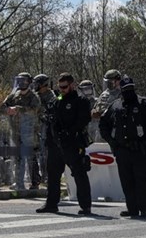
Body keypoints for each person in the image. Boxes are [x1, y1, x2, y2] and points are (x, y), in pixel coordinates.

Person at [99, 75, 146, 218]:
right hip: (122, 150)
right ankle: (132, 209)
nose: (128, 92)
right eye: (125, 89)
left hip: (141, 150)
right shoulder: (116, 105)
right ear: (121, 90)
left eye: (130, 89)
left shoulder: (145, 103)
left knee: (143, 181)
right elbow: (103, 124)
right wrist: (112, 142)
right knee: (127, 182)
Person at [37, 73, 94, 215]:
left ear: (72, 85)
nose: (62, 90)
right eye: (60, 87)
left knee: (79, 173)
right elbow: (51, 113)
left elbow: (84, 120)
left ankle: (85, 206)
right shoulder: (58, 100)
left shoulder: (80, 101)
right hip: (55, 143)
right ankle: (51, 204)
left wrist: (69, 132)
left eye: (65, 87)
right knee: (53, 175)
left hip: (72, 143)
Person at [0, 72, 41, 190]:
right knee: (17, 156)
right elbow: (2, 106)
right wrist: (8, 110)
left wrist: (19, 109)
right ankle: (18, 181)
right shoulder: (14, 95)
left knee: (29, 157)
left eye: (24, 81)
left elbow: (35, 109)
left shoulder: (33, 96)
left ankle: (34, 182)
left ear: (29, 82)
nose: (22, 83)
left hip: (28, 131)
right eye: (20, 80)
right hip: (15, 130)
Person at [33, 74, 57, 186]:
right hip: (35, 127)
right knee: (36, 153)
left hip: (46, 127)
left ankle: (46, 176)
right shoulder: (35, 95)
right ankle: (37, 177)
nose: (36, 86)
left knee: (45, 153)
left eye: (38, 84)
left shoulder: (51, 96)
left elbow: (50, 111)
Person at [91, 69, 123, 141]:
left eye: (110, 82)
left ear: (118, 81)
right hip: (102, 128)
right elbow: (95, 109)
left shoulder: (122, 94)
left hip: (115, 129)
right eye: (107, 82)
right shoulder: (104, 94)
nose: (108, 84)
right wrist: (95, 112)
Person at [77, 79, 99, 144]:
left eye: (89, 89)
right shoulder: (77, 103)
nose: (88, 92)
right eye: (85, 90)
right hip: (83, 134)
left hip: (96, 133)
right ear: (81, 90)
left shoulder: (98, 101)